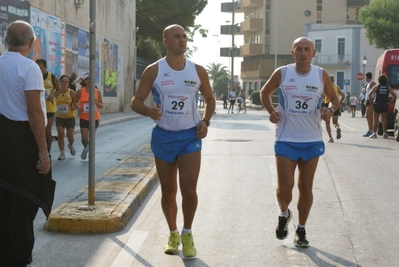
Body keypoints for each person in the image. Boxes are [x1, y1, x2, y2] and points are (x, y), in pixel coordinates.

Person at [130, 24, 216, 258]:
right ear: (165, 40)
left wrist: (205, 121)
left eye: (184, 37)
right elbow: (135, 101)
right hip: (163, 136)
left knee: (189, 190)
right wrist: (148, 111)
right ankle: (173, 233)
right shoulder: (153, 70)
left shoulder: (197, 71)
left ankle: (187, 233)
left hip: (190, 136)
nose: (182, 40)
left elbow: (210, 99)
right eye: (177, 36)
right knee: (168, 190)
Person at [260, 37, 339, 247]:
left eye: (307, 49)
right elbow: (265, 92)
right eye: (299, 49)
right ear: (292, 52)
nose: (303, 53)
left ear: (313, 53)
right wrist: (271, 111)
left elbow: (335, 98)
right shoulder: (283, 73)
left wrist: (329, 110)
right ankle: (284, 214)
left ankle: (301, 229)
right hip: (286, 137)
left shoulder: (320, 74)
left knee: (306, 188)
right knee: (285, 187)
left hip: (312, 140)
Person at [0, 20, 55, 267]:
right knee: (24, 205)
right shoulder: (29, 67)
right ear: (31, 43)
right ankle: (19, 258)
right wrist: (44, 153)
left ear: (6, 41)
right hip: (22, 145)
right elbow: (35, 113)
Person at [72, 73, 103, 159]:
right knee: (84, 138)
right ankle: (86, 147)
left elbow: (102, 105)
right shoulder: (80, 91)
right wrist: (78, 108)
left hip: (95, 117)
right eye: (87, 79)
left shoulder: (97, 92)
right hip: (84, 117)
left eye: (91, 79)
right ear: (84, 81)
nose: (89, 81)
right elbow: (74, 102)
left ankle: (90, 152)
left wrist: (96, 102)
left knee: (91, 137)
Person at [36, 58, 61, 154]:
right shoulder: (34, 76)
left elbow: (58, 90)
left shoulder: (52, 77)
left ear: (45, 67)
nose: (39, 70)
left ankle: (48, 151)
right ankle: (39, 151)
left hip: (49, 108)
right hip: (38, 107)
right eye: (37, 68)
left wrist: (53, 95)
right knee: (39, 130)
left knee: (47, 130)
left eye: (41, 68)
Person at [368, 74, 397, 139]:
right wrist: (390, 103)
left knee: (375, 119)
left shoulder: (376, 87)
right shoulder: (388, 87)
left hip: (377, 104)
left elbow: (369, 94)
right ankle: (385, 133)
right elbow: (394, 96)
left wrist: (371, 102)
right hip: (384, 104)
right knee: (384, 119)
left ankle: (374, 133)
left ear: (379, 80)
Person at [55, 74, 77, 160]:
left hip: (70, 117)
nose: (64, 83)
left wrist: (74, 107)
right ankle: (62, 153)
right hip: (59, 117)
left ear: (69, 83)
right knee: (60, 135)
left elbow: (77, 101)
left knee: (70, 136)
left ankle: (70, 145)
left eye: (66, 82)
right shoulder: (57, 92)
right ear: (60, 82)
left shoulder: (71, 92)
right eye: (63, 81)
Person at [323, 75, 345, 143]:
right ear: (333, 80)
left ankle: (330, 137)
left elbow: (323, 96)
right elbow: (343, 95)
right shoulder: (336, 87)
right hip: (335, 104)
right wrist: (340, 102)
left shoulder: (325, 87)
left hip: (327, 104)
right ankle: (337, 128)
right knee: (335, 122)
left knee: (327, 122)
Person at [363, 72, 376, 137]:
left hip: (371, 102)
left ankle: (371, 130)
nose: (365, 78)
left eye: (365, 77)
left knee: (368, 116)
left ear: (367, 77)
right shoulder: (368, 84)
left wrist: (371, 100)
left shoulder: (372, 83)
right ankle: (371, 129)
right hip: (368, 101)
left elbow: (374, 92)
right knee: (368, 116)